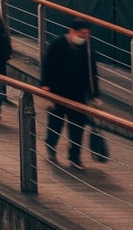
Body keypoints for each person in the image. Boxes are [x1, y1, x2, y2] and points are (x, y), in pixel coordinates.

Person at [40, 20, 100, 170]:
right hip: (57, 92)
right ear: (72, 31)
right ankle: (51, 145)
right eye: (81, 33)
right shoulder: (57, 44)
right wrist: (45, 85)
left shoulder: (87, 48)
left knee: (77, 127)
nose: (84, 37)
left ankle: (75, 157)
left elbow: (92, 72)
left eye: (86, 34)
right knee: (55, 123)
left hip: (78, 94)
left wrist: (94, 95)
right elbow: (48, 65)